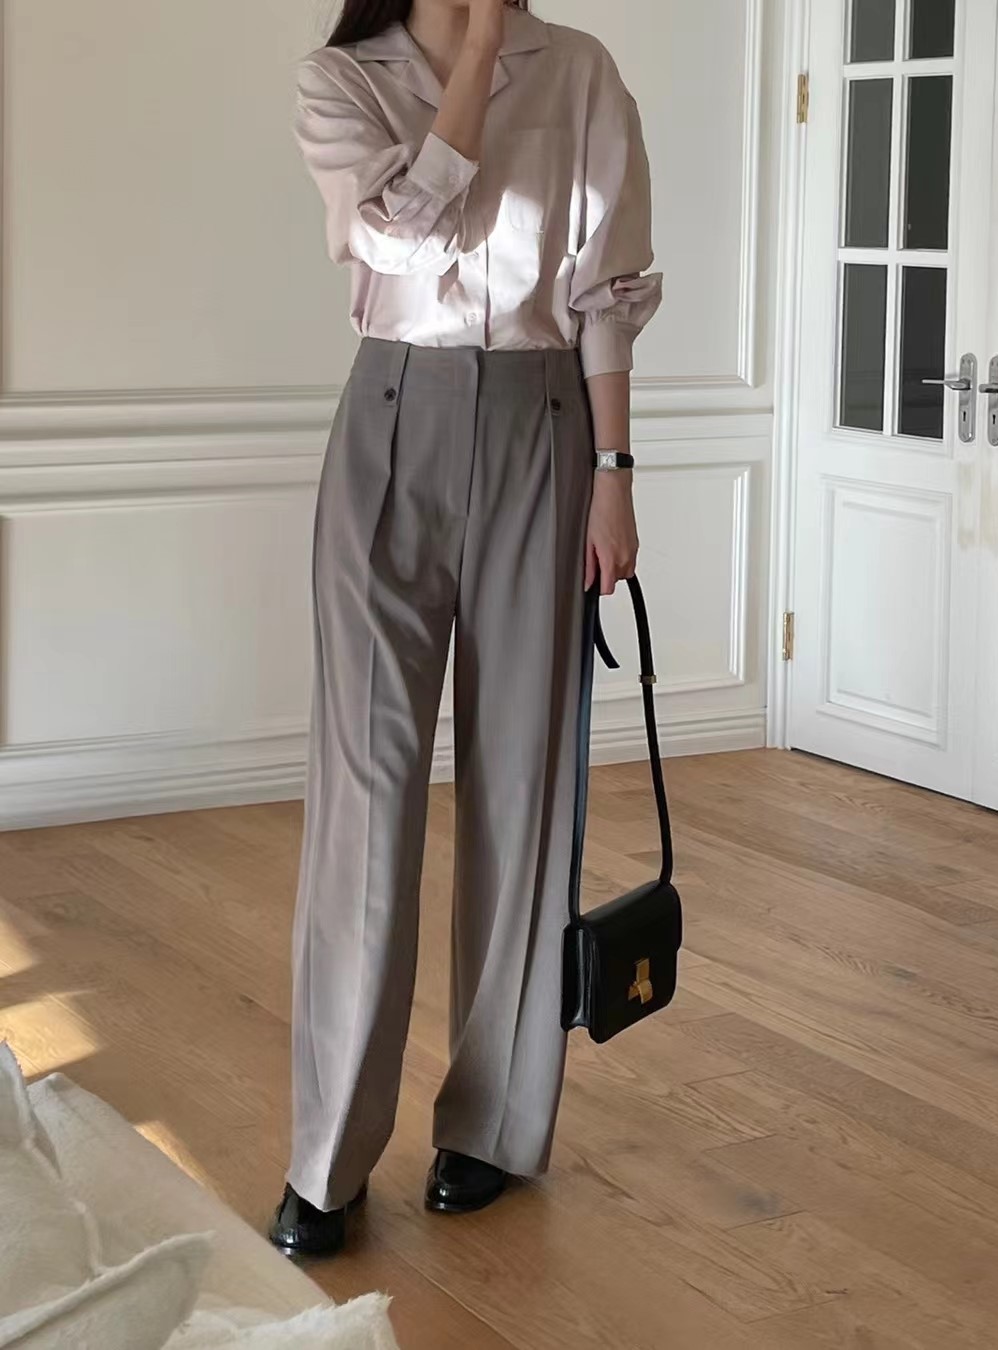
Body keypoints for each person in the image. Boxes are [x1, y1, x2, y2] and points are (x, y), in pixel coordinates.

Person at [270, 0, 661, 1258]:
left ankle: (491, 1123)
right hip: (392, 423)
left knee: (523, 787)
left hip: (546, 429)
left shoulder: (583, 71)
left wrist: (615, 473)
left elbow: (607, 288)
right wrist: (481, 58)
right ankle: (328, 1155)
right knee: (367, 792)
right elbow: (396, 231)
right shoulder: (341, 81)